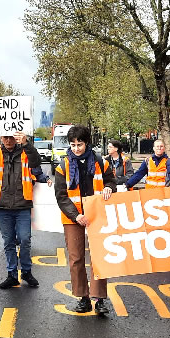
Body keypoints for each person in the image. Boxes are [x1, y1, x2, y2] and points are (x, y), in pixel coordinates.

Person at [54, 125, 115, 314]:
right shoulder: (62, 166)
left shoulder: (100, 161)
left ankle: (100, 299)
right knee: (76, 258)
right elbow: (61, 196)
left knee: (99, 258)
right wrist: (76, 215)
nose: (76, 148)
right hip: (73, 217)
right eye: (72, 145)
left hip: (97, 215)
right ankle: (83, 297)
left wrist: (109, 187)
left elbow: (111, 180)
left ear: (86, 143)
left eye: (79, 144)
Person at [0, 131, 42, 290]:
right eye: (4, 137)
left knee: (24, 240)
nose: (8, 140)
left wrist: (26, 144)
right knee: (8, 242)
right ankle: (12, 274)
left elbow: (36, 162)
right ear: (0, 138)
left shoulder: (25, 152)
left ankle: (26, 272)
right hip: (3, 205)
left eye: (10, 137)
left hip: (22, 204)